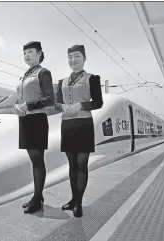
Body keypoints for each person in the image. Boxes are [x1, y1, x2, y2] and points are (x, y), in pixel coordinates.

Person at [55, 44, 103, 217]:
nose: (73, 60)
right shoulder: (62, 82)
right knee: (72, 165)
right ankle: (73, 199)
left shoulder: (92, 78)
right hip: (67, 125)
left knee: (82, 165)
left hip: (84, 124)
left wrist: (80, 105)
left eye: (77, 56)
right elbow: (56, 103)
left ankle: (79, 203)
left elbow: (98, 103)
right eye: (70, 57)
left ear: (84, 58)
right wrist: (61, 106)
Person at [14, 41, 55, 213]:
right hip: (25, 120)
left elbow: (49, 99)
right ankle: (38, 195)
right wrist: (17, 106)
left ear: (39, 53)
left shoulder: (43, 73)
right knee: (34, 160)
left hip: (37, 120)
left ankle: (37, 199)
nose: (26, 55)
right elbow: (20, 97)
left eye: (30, 52)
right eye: (24, 53)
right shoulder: (24, 75)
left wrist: (28, 105)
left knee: (38, 160)